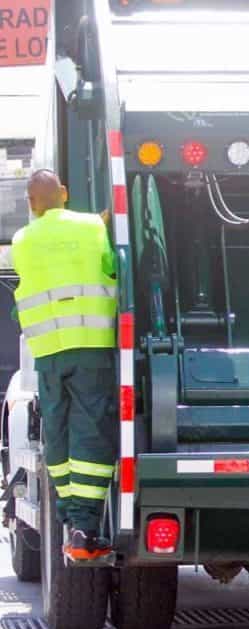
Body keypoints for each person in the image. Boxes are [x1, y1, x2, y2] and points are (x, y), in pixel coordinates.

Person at [12, 170, 118, 560]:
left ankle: (67, 517)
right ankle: (85, 525)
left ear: (31, 202)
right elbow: (110, 266)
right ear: (65, 193)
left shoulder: (22, 241)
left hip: (48, 352)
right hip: (90, 345)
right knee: (90, 429)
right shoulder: (92, 227)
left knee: (55, 428)